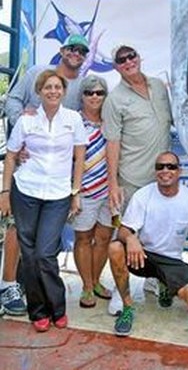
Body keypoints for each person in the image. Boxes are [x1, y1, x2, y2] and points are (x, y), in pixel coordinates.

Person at [0, 33, 89, 316]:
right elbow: (12, 101)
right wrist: (21, 131)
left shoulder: (80, 88)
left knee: (43, 248)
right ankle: (8, 285)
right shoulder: (38, 71)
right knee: (17, 230)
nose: (76, 54)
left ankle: (38, 291)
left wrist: (76, 190)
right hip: (26, 174)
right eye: (72, 48)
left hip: (56, 185)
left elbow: (77, 142)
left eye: (81, 51)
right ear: (62, 50)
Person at [108, 151, 188, 337]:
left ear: (179, 171)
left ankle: (165, 286)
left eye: (171, 166)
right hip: (142, 256)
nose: (165, 171)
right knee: (115, 247)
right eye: (160, 167)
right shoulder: (143, 195)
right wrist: (132, 238)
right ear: (156, 171)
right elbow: (124, 230)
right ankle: (127, 307)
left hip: (171, 261)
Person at [102, 43, 172, 314]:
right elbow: (112, 143)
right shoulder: (115, 99)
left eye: (131, 56)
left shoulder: (158, 86)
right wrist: (112, 183)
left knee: (156, 237)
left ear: (139, 57)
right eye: (121, 59)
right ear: (116, 67)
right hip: (130, 180)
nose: (128, 61)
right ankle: (122, 292)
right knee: (123, 238)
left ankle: (155, 281)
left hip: (162, 179)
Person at [71, 75, 114, 309]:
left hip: (110, 191)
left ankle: (97, 281)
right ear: (82, 96)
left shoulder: (111, 120)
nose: (95, 97)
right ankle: (87, 286)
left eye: (99, 92)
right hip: (84, 190)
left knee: (105, 238)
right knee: (83, 239)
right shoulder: (72, 120)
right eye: (89, 93)